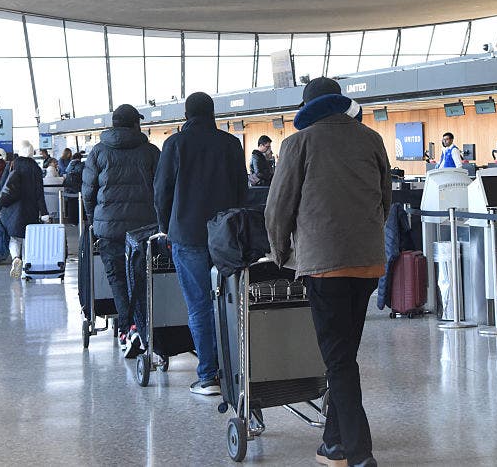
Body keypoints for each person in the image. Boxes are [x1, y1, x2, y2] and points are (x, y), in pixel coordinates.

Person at [266, 77, 390, 467]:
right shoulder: (371, 139)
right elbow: (385, 199)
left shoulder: (297, 143)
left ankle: (358, 453)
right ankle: (333, 444)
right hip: (368, 263)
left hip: (324, 267)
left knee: (337, 361)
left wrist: (281, 253)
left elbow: (277, 209)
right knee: (345, 355)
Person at [154, 92, 246, 396]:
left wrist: (166, 227)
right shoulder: (231, 144)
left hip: (187, 235)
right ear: (212, 112)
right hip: (225, 237)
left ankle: (208, 375)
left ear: (186, 114)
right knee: (230, 303)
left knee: (199, 306)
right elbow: (242, 190)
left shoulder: (175, 144)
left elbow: (162, 190)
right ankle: (235, 372)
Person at [82, 104, 161, 354]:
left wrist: (92, 218)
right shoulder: (150, 151)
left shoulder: (98, 152)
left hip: (109, 228)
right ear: (135, 124)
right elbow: (161, 189)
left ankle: (127, 330)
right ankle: (140, 326)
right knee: (140, 279)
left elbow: (88, 190)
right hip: (144, 228)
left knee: (117, 279)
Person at [0, 141, 49, 278]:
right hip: (30, 208)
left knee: (14, 237)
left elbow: (3, 187)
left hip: (12, 209)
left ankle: (15, 258)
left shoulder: (11, 165)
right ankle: (26, 269)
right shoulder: (36, 169)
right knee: (27, 238)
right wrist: (44, 213)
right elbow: (39, 193)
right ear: (32, 152)